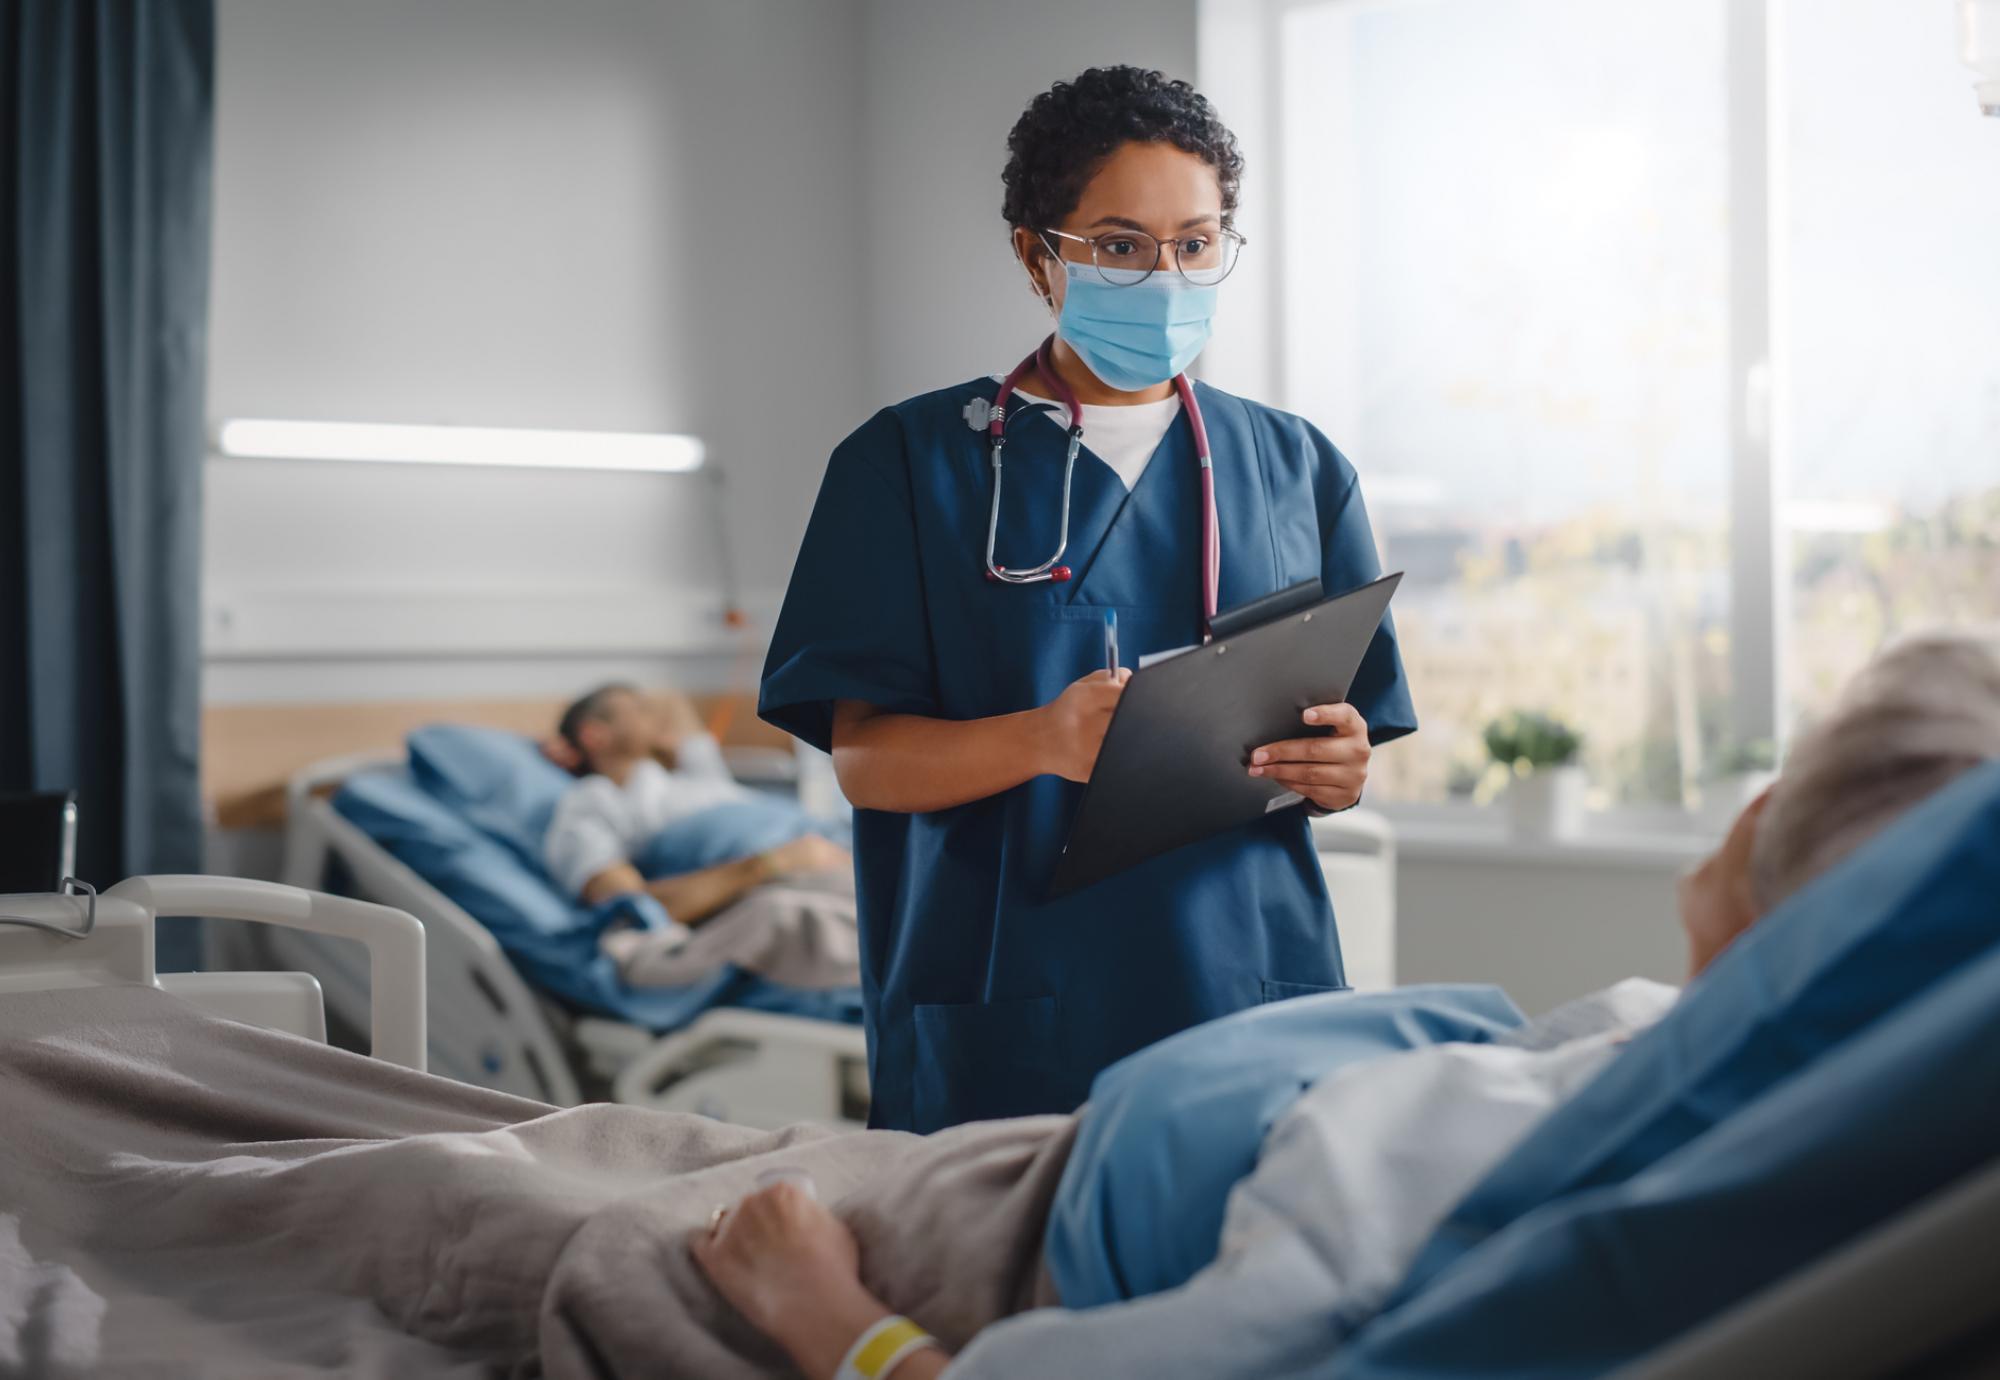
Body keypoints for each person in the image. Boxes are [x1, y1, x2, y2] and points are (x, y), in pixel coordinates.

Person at [697, 627, 2000, 1378]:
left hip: (992, 1250)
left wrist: (837, 1324)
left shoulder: (1493, 1177)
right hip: (1031, 1161)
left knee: (527, 1183)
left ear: (1774, 827)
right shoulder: (1699, 1085)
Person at [760, 66, 1418, 1134]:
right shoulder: (907, 464)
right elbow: (866, 762)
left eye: (1195, 243)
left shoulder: (1298, 468)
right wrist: (1040, 740)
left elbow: (1344, 740)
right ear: (1037, 253)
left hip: (1244, 988)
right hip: (1012, 1011)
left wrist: (1336, 770)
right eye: (1119, 245)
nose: (1165, 276)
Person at [543, 683, 859, 990]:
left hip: (832, 842)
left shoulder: (691, 779)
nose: (654, 712)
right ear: (593, 734)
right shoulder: (592, 800)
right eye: (638, 708)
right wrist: (769, 864)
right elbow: (633, 908)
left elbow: (675, 704)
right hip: (792, 867)